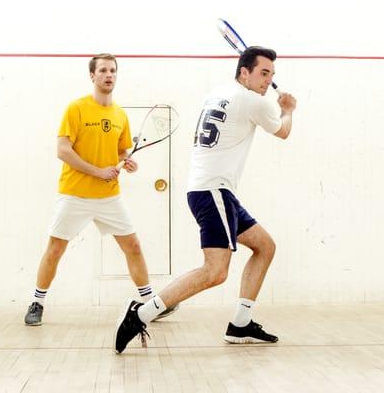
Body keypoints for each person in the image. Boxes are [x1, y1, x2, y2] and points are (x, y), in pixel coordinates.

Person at [114, 46, 297, 354]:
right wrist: (289, 108)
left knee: (265, 246)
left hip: (208, 190)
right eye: (263, 73)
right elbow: (283, 132)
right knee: (215, 271)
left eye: (272, 75)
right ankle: (142, 313)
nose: (268, 81)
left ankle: (241, 323)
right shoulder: (253, 101)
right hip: (214, 191)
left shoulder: (217, 94)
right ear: (244, 72)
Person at [24, 53, 176, 326]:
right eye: (103, 70)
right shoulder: (76, 109)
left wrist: (127, 161)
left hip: (109, 197)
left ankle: (149, 303)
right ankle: (37, 302)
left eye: (113, 71)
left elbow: (120, 150)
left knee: (134, 246)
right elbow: (62, 150)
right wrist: (97, 171)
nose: (109, 75)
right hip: (74, 193)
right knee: (56, 248)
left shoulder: (119, 115)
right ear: (92, 76)